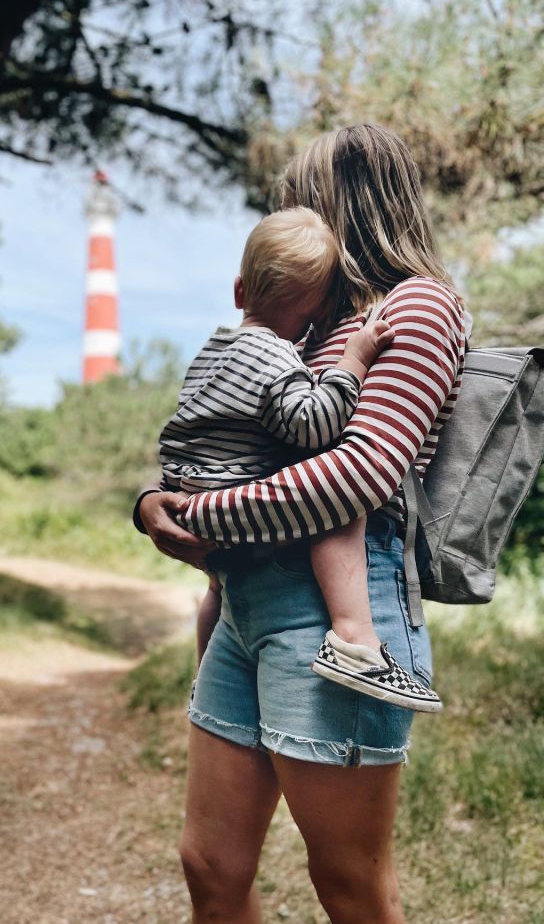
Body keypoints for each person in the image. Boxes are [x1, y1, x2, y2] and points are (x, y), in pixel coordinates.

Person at [136, 123, 468, 924]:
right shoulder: (302, 326)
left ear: (342, 205)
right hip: (248, 606)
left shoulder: (416, 308)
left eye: (300, 202)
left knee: (349, 888)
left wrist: (198, 518)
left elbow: (356, 476)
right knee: (210, 865)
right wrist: (153, 498)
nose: (288, 220)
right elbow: (212, 434)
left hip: (333, 622)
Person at [158, 207, 440, 710]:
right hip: (232, 493)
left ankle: (204, 678)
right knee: (341, 503)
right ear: (313, 316)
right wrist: (353, 359)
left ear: (239, 291)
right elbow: (313, 424)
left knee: (217, 593)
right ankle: (353, 640)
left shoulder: (211, 348)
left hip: (185, 485)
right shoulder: (276, 357)